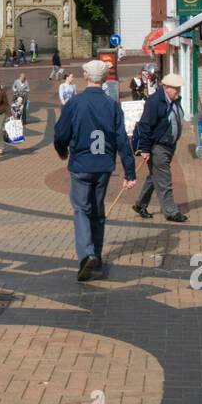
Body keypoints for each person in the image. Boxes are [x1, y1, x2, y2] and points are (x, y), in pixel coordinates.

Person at [53, 58, 137, 281]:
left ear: (86, 77)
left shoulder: (74, 103)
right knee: (97, 210)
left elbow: (60, 132)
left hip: (81, 164)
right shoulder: (112, 106)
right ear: (105, 79)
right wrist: (130, 172)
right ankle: (96, 255)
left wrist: (62, 150)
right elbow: (122, 140)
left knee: (81, 209)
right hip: (104, 165)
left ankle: (87, 254)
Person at [132, 72, 188, 223]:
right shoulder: (155, 102)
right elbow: (145, 125)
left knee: (155, 176)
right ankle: (171, 212)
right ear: (166, 88)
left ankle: (140, 204)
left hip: (169, 145)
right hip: (158, 146)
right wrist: (145, 149)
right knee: (164, 179)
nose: (178, 91)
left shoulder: (175, 100)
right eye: (175, 88)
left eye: (179, 88)